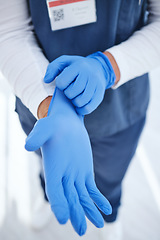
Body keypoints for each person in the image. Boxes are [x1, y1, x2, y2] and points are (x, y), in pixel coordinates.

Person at [0, 0, 160, 239]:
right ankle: (48, 194)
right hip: (42, 98)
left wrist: (108, 66)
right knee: (53, 164)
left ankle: (109, 216)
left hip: (119, 107)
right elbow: (11, 31)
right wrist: (49, 106)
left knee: (111, 175)